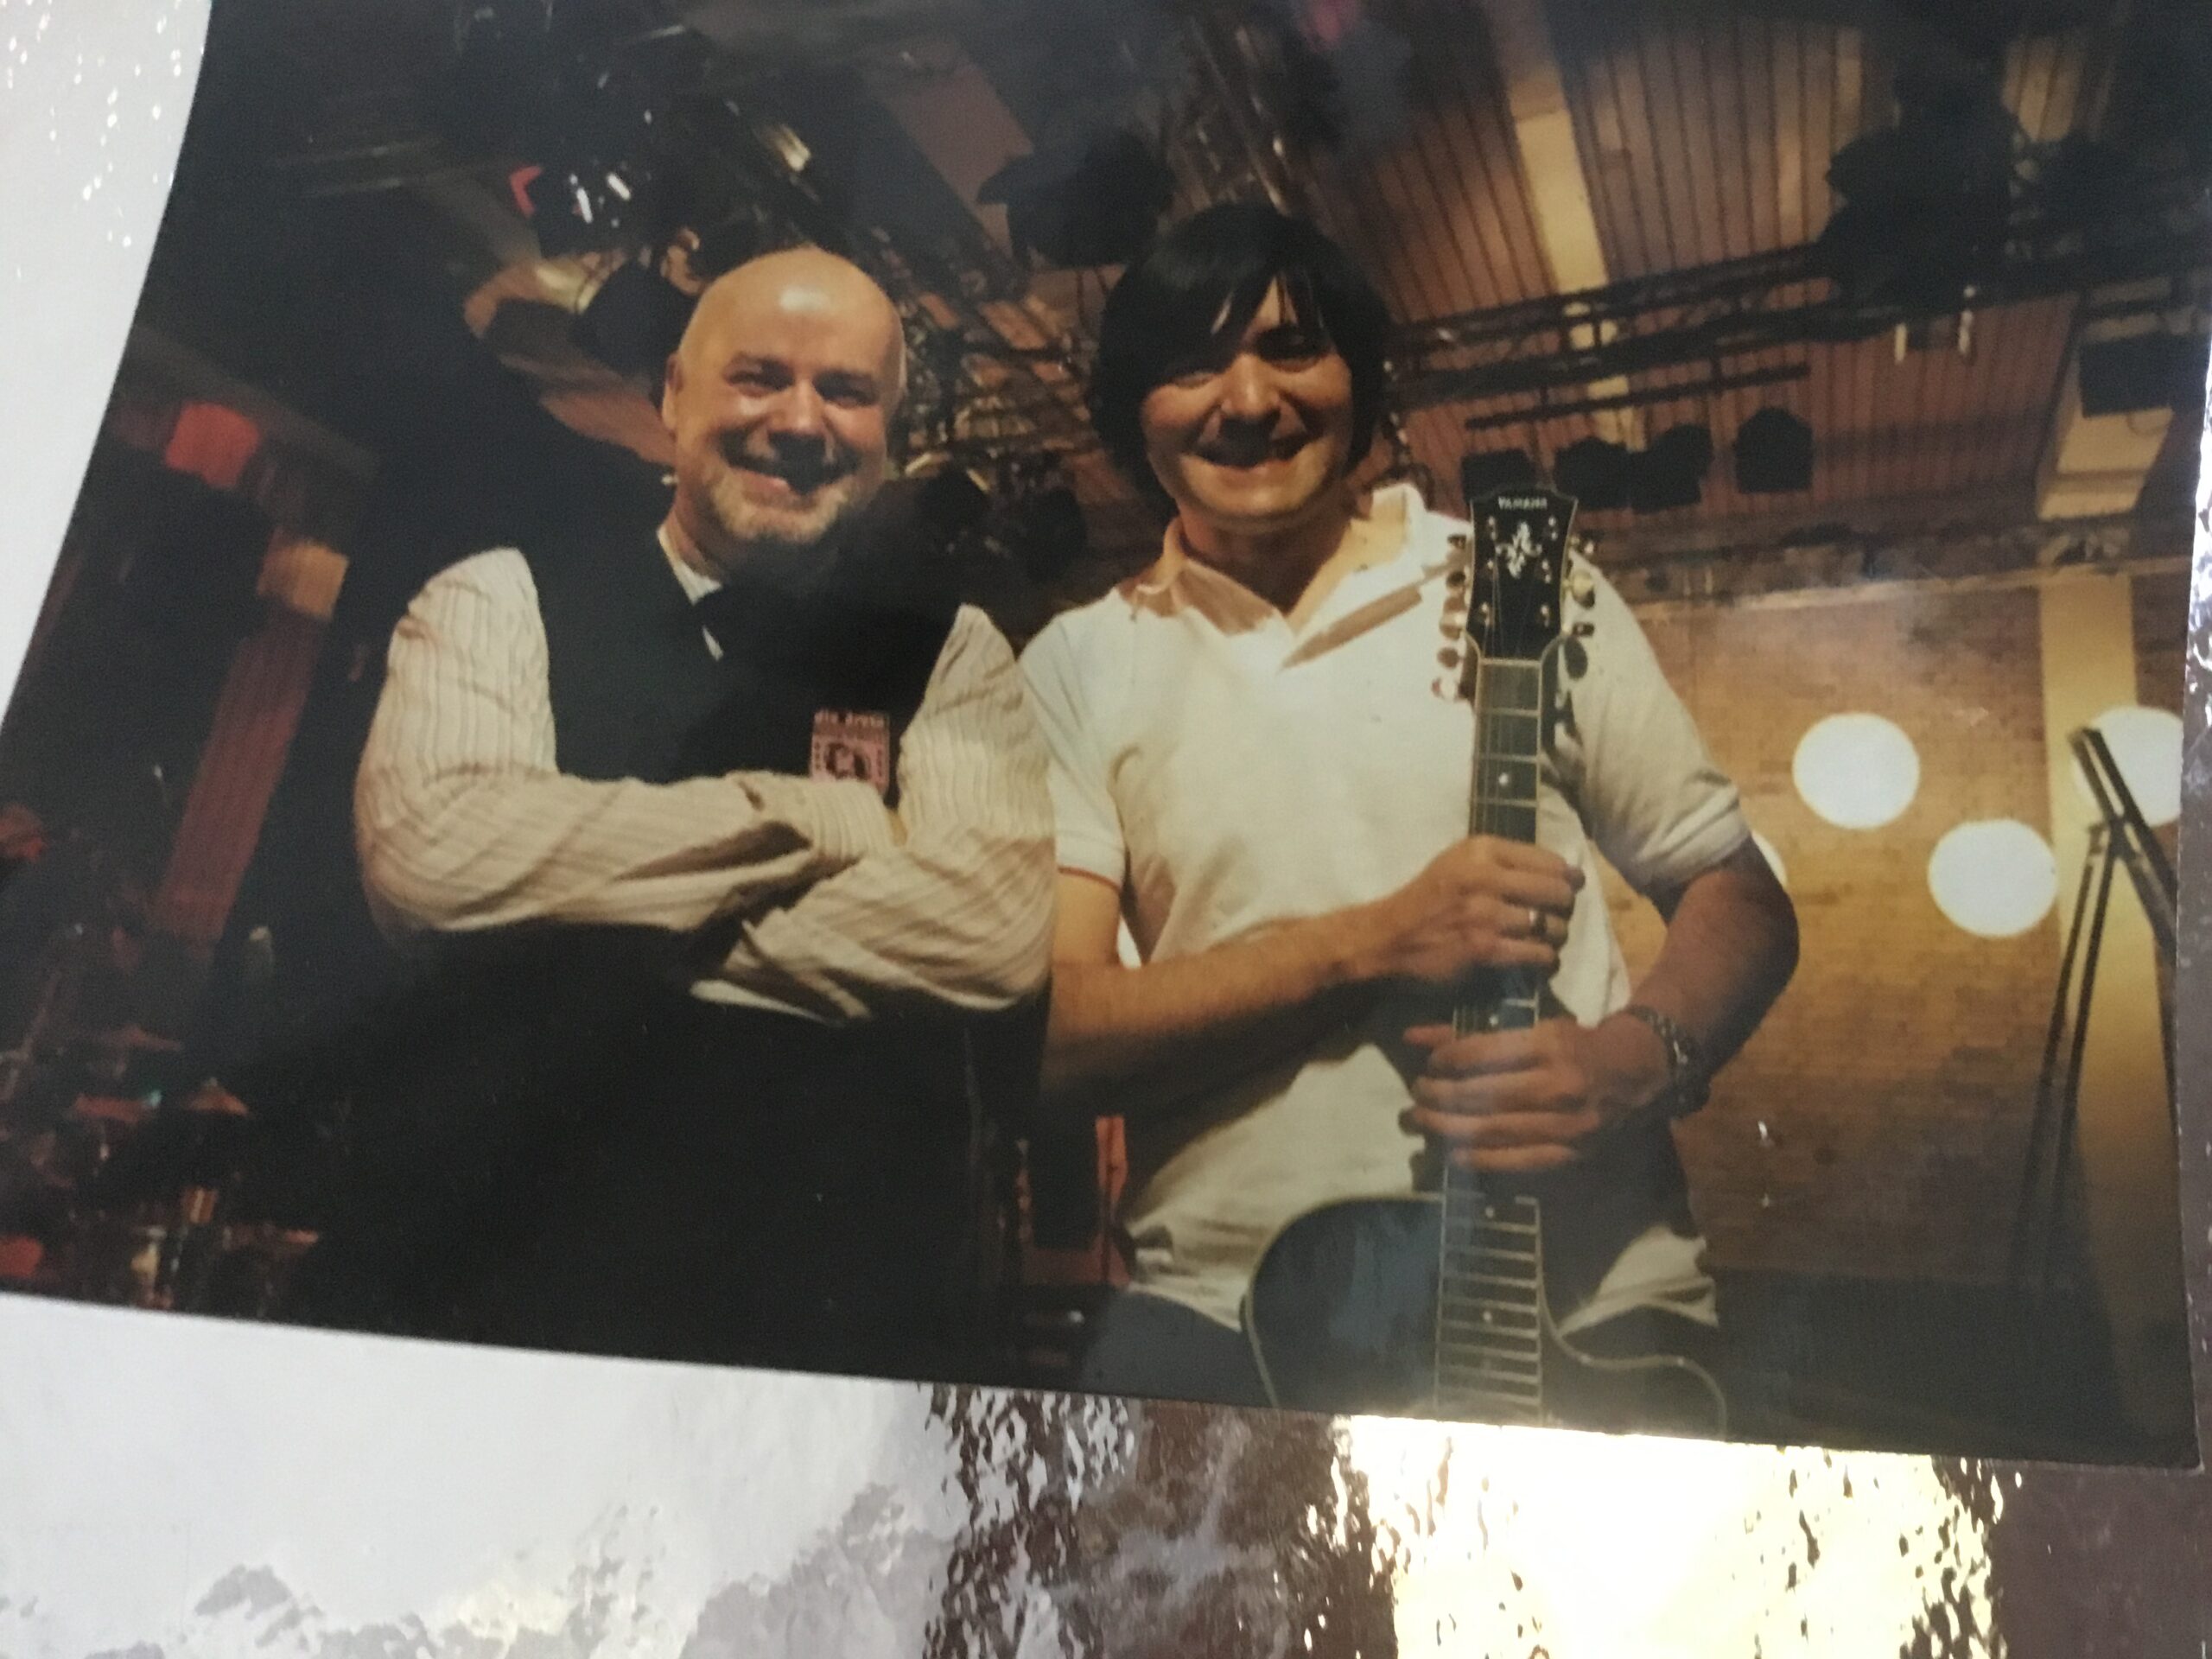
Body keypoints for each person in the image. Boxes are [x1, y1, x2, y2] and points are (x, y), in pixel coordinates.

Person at [1020, 203, 1799, 1418]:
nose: (1248, 399)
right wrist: (1373, 942)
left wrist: (1634, 1062)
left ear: (1362, 382)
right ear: (1135, 413)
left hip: (1582, 1306)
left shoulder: (1519, 582)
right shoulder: (1079, 663)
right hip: (1219, 1315)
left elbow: (1733, 891)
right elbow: (1053, 1039)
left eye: (1292, 349)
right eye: (1193, 364)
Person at [289, 248, 1056, 1378]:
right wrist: (821, 822)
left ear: (891, 434)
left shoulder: (957, 650)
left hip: (812, 1336)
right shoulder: (498, 595)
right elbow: (434, 859)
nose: (801, 421)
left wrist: (566, 919)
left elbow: (990, 936)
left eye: (846, 391)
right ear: (673, 396)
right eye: (759, 377)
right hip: (476, 1306)